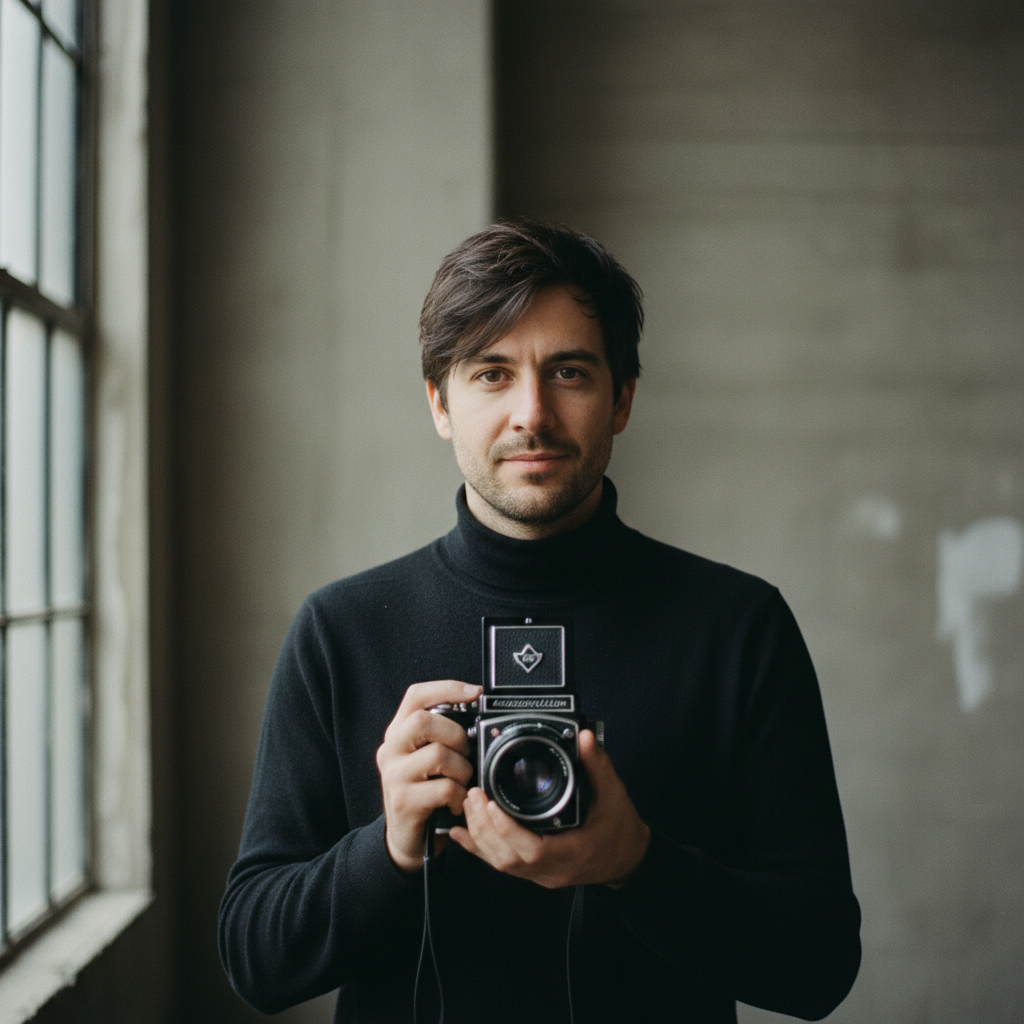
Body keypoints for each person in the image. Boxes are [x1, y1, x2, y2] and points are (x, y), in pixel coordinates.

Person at [219, 221, 861, 1023]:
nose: (532, 412)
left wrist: (636, 862)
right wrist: (386, 849)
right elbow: (255, 961)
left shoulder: (737, 628)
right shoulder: (340, 631)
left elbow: (821, 964)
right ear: (439, 404)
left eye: (568, 372)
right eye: (492, 373)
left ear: (622, 398)